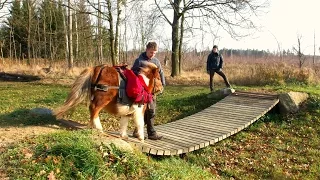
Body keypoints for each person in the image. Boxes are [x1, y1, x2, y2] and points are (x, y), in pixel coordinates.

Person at [131, 41, 165, 140]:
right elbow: (133, 73)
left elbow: (161, 73)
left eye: (154, 53)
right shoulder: (140, 61)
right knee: (148, 111)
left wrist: (163, 84)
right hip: (142, 91)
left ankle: (139, 131)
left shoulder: (156, 61)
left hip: (153, 90)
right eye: (151, 52)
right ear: (147, 50)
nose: (152, 54)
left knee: (151, 111)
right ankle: (151, 133)